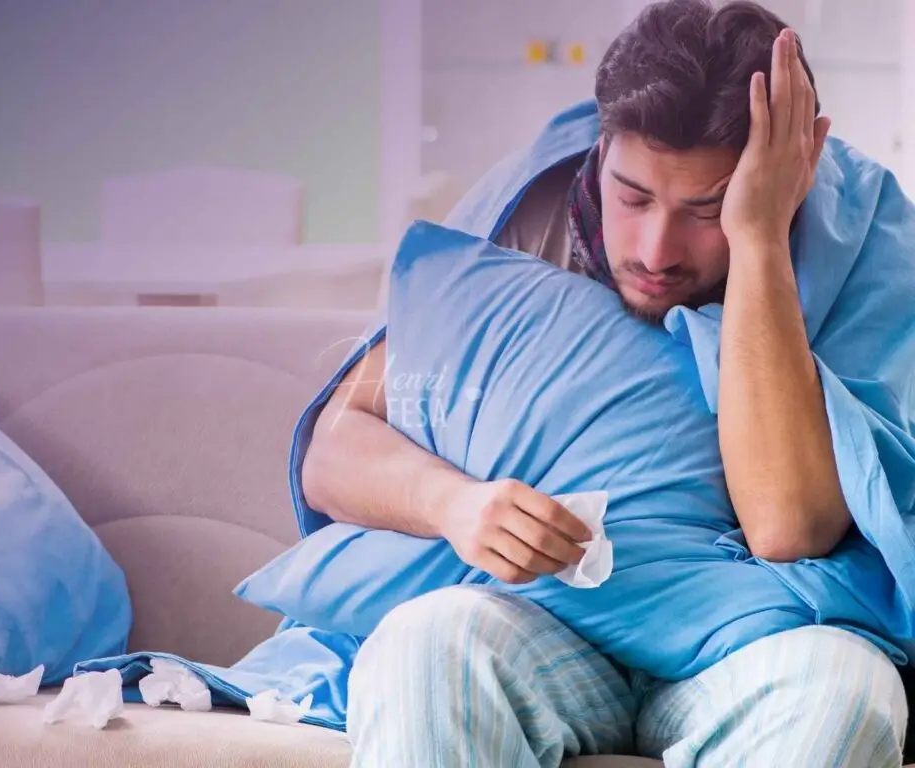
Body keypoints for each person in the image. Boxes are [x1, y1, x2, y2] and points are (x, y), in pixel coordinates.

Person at [300, 1, 910, 765]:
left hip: (754, 639)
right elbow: (332, 451)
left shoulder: (862, 244)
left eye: (706, 210)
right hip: (542, 626)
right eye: (632, 196)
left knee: (848, 692)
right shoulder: (534, 210)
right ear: (602, 150)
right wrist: (451, 503)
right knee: (425, 642)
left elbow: (788, 528)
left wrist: (756, 238)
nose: (656, 249)